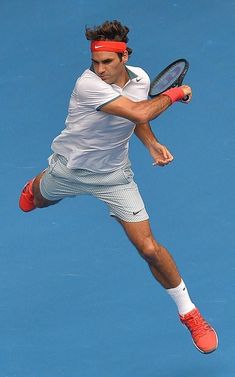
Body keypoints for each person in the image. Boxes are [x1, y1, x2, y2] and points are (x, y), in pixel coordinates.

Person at [19, 20, 218, 354]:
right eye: (95, 62)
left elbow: (136, 118)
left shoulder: (140, 79)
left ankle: (190, 313)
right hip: (70, 169)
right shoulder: (88, 84)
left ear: (124, 57)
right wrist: (175, 93)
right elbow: (140, 110)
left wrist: (151, 144)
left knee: (150, 249)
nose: (99, 69)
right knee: (39, 199)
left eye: (107, 62)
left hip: (115, 176)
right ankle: (37, 184)